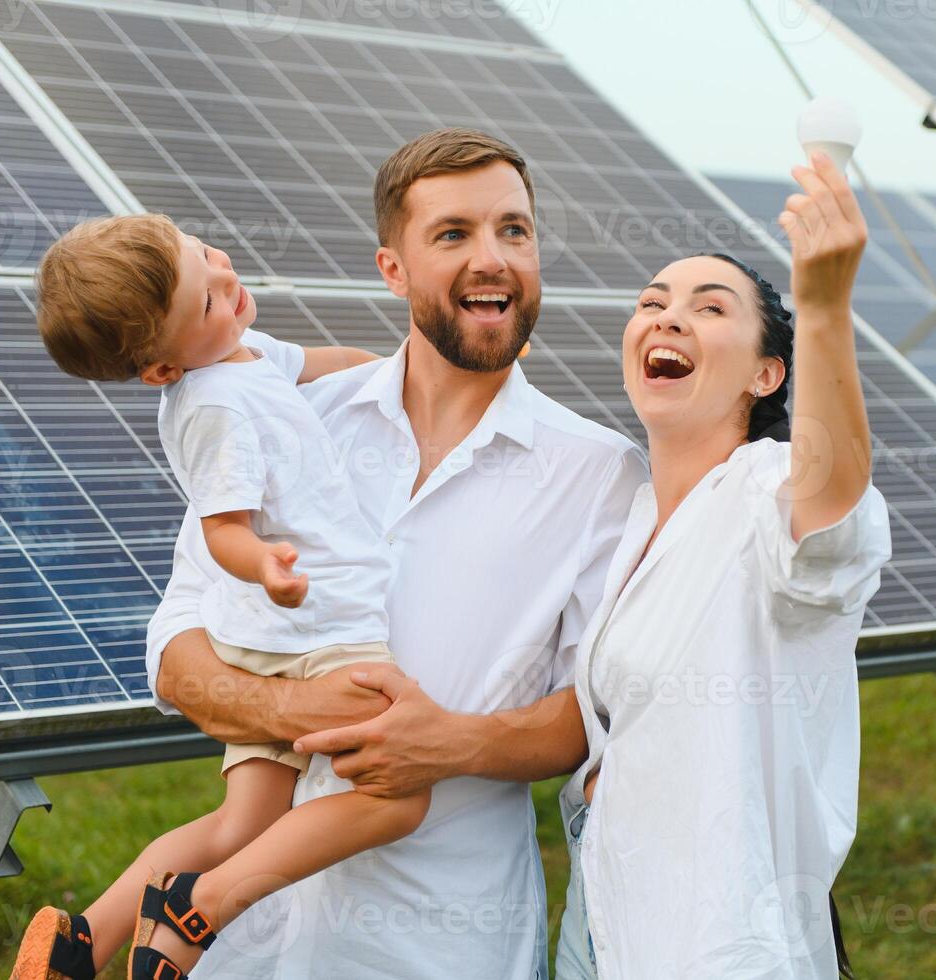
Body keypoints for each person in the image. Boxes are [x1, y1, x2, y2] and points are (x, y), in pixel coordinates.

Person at [143, 128, 648, 978]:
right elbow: (176, 651)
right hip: (246, 946)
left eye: (513, 231)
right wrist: (282, 713)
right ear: (393, 269)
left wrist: (450, 743)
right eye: (453, 234)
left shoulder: (601, 473)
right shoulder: (292, 416)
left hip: (439, 940)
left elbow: (594, 716)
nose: (492, 258)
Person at [14, 211, 428, 979]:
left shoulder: (239, 355)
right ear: (161, 371)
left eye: (207, 253)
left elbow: (324, 363)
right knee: (398, 797)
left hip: (261, 639)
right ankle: (198, 909)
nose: (227, 280)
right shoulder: (215, 407)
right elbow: (221, 527)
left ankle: (79, 944)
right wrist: (265, 565)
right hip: (314, 630)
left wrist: (410, 370)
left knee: (243, 820)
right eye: (205, 298)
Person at [553, 151, 892, 979]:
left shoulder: (767, 490)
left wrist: (821, 307)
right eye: (651, 303)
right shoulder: (628, 515)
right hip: (600, 910)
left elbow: (829, 511)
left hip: (716, 940)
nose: (667, 318)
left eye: (709, 308)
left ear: (765, 373)